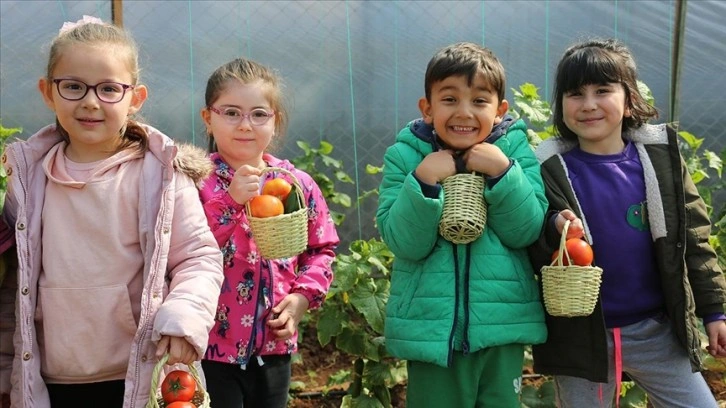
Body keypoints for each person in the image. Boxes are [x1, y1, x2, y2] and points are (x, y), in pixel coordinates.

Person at [0, 16, 224, 408]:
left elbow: (198, 258)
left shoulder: (161, 176)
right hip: (50, 381)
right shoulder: (27, 180)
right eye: (72, 87)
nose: (90, 101)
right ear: (47, 93)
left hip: (135, 378)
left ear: (135, 98)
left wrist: (184, 317)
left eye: (108, 89)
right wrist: (6, 373)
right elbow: (13, 283)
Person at [529, 38, 726, 407]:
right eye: (575, 93)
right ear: (561, 105)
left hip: (657, 331)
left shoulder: (660, 161)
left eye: (603, 90)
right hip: (582, 340)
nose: (588, 105)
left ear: (629, 97)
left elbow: (694, 238)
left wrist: (714, 311)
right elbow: (529, 237)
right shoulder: (547, 169)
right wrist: (554, 224)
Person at [376, 42, 548, 407]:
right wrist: (423, 181)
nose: (464, 113)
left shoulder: (514, 154)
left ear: (500, 111)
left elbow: (526, 230)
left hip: (501, 328)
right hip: (432, 335)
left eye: (480, 101)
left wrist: (503, 174)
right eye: (450, 99)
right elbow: (405, 243)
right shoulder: (405, 156)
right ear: (427, 108)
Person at [198, 57, 340, 408]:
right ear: (208, 118)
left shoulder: (294, 184)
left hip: (274, 344)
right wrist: (230, 202)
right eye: (231, 112)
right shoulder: (196, 182)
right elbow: (184, 248)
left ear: (274, 121)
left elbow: (321, 249)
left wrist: (302, 298)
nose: (245, 125)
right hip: (209, 345)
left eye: (259, 114)